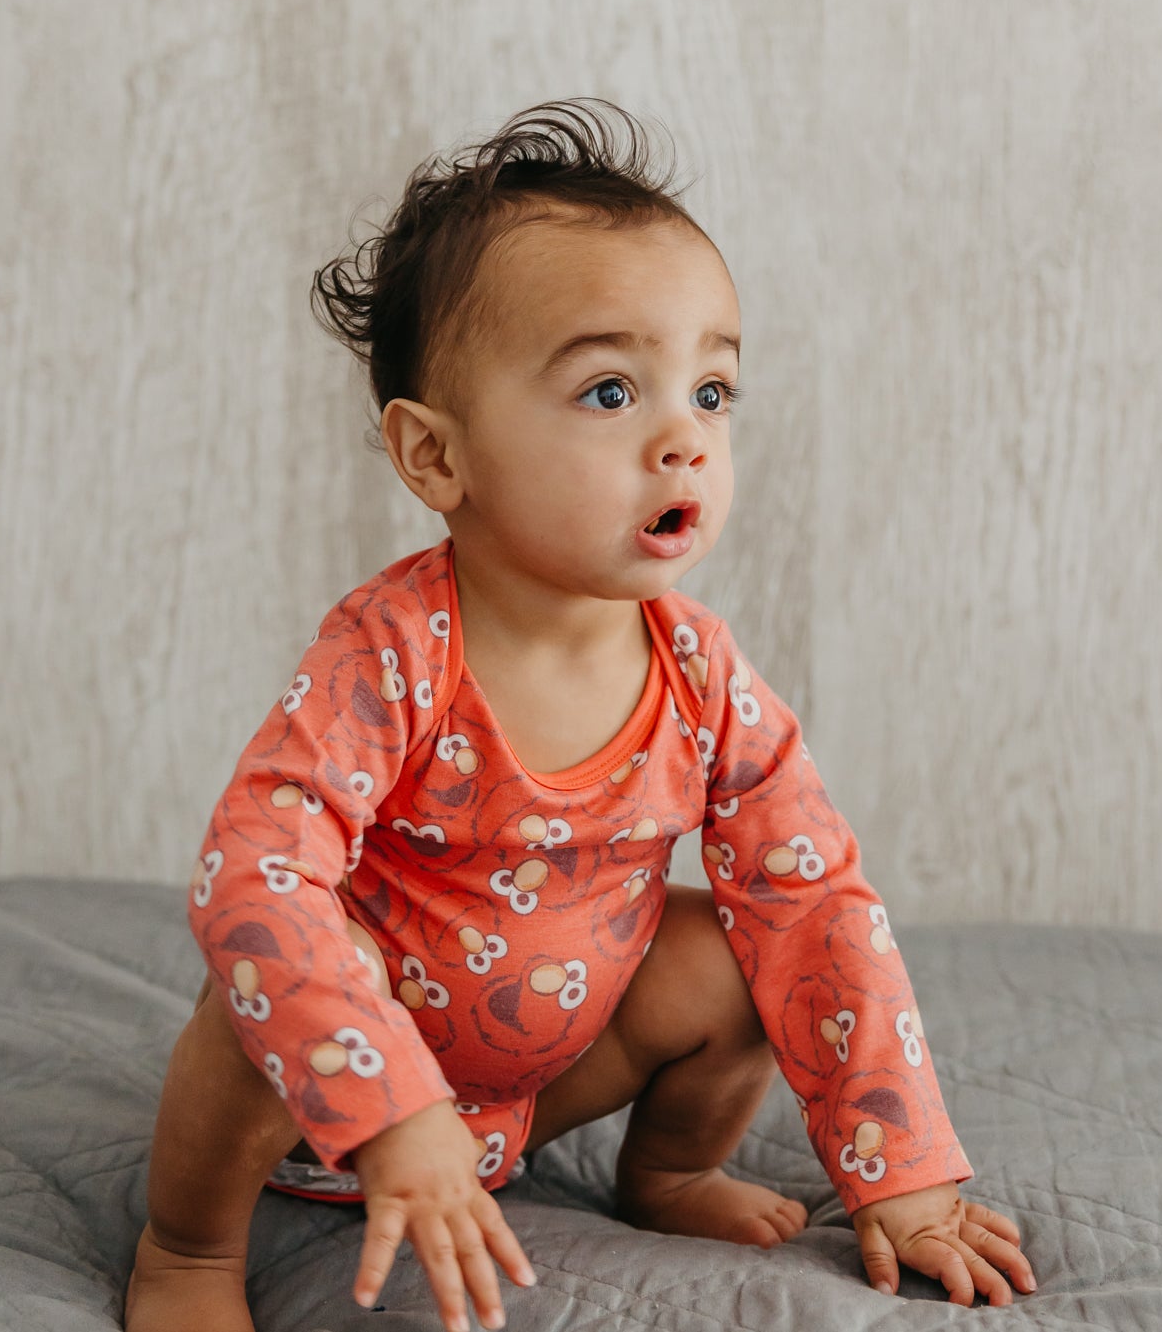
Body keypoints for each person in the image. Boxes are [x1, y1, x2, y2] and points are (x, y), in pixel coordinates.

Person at [125, 100, 1036, 1331]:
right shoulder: (391, 652)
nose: (683, 439)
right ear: (435, 458)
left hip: (532, 1092)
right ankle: (185, 1251)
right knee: (263, 981)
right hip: (324, 1090)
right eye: (610, 391)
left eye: (710, 390)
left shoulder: (700, 674)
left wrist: (901, 1171)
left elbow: (813, 903)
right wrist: (393, 1104)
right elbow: (257, 871)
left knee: (739, 948)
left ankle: (664, 1172)